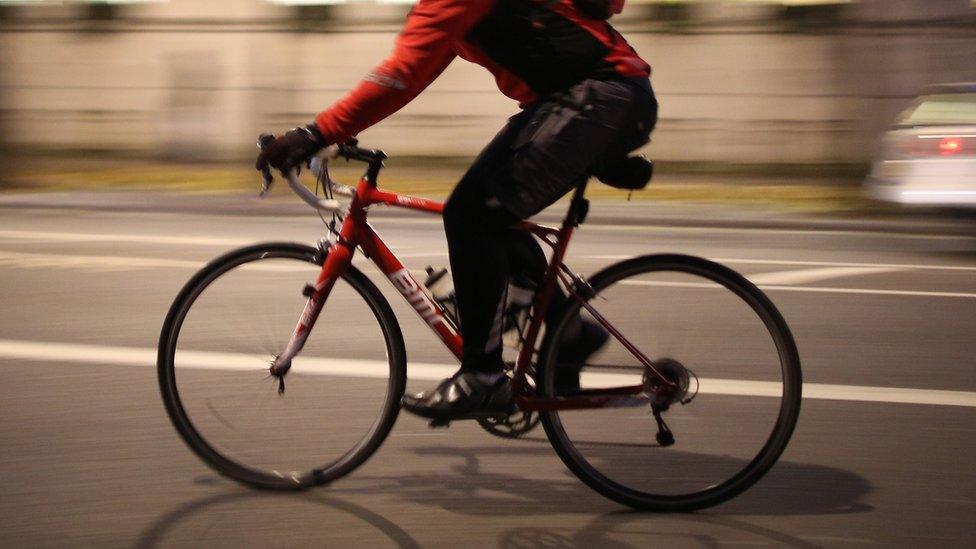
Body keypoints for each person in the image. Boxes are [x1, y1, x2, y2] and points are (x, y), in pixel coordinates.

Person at [256, 0, 658, 423]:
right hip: (589, 101)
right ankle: (569, 333)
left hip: (597, 99)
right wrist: (335, 131)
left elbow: (400, 74)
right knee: (494, 207)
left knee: (472, 212)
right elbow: (414, 72)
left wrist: (316, 132)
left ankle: (483, 377)